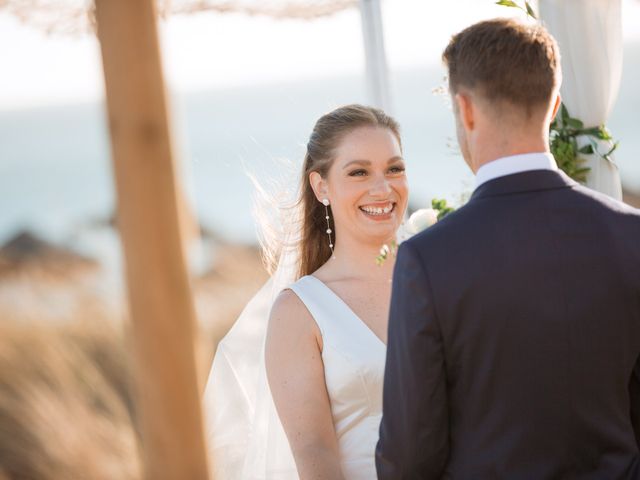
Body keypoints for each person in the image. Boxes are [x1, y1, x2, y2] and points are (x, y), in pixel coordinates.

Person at [376, 18, 640, 479]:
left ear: (466, 109)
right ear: (555, 105)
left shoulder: (428, 260)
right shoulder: (631, 235)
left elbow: (411, 456)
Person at [204, 104, 408, 479]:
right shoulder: (301, 311)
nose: (383, 188)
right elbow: (315, 455)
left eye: (394, 169)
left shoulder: (437, 281)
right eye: (359, 172)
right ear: (321, 187)